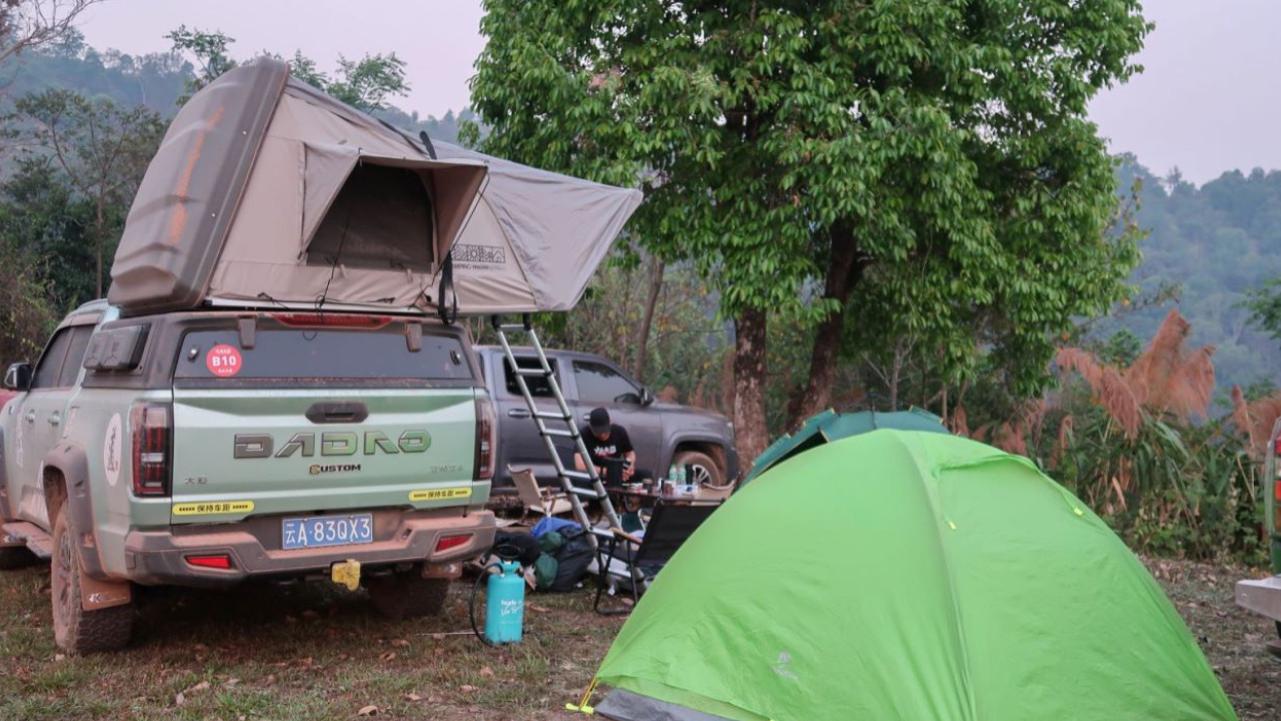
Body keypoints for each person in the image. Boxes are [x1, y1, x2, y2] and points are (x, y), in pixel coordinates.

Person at [575, 407, 647, 484]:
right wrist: (610, 472)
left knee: (646, 475)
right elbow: (580, 466)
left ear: (610, 423)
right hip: (597, 475)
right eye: (598, 433)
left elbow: (630, 453)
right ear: (590, 427)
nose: (602, 435)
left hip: (618, 472)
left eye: (605, 431)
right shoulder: (584, 435)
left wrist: (629, 465)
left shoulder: (619, 432)